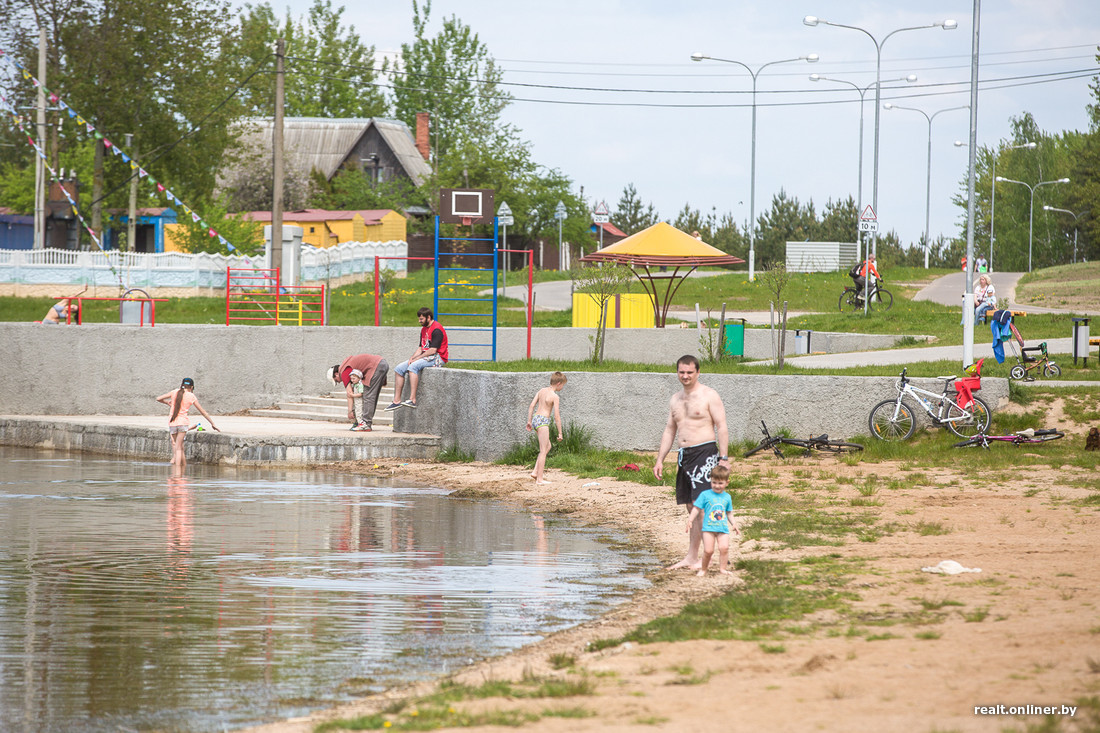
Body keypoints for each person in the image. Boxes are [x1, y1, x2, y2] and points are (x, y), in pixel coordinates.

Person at [654, 354, 730, 571]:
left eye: (689, 372)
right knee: (692, 507)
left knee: (705, 506)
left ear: (698, 372)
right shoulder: (675, 399)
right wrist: (660, 459)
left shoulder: (709, 395)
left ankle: (714, 556)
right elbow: (670, 430)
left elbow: (721, 426)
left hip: (705, 453)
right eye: (681, 372)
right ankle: (692, 557)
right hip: (684, 456)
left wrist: (723, 458)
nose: (685, 376)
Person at [385, 307, 448, 411]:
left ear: (428, 317)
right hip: (426, 356)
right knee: (399, 369)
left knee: (413, 367)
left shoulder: (437, 329)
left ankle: (412, 399)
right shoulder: (424, 329)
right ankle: (396, 401)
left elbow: (433, 350)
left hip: (438, 357)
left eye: (421, 319)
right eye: (419, 319)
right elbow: (421, 348)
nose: (419, 321)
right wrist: (412, 357)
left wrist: (416, 359)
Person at [686, 464, 740, 577]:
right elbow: (696, 508)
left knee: (724, 548)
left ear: (727, 483)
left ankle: (723, 569)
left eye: (720, 483)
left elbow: (729, 512)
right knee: (708, 551)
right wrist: (690, 520)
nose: (717, 486)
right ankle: (704, 569)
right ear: (710, 481)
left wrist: (734, 523)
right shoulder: (705, 495)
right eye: (714, 482)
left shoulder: (727, 497)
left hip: (722, 528)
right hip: (708, 528)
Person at [156, 377, 220, 468]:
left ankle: (182, 468)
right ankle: (177, 472)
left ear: (182, 385)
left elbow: (158, 398)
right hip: (183, 423)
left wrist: (168, 403)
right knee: (179, 448)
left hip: (172, 423)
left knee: (178, 447)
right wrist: (212, 424)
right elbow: (203, 412)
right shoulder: (191, 396)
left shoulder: (174, 392)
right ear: (192, 387)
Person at [329, 354, 389, 432]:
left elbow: (349, 394)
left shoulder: (344, 372)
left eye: (336, 380)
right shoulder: (346, 364)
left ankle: (365, 424)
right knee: (371, 395)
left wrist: (350, 411)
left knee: (368, 396)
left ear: (336, 374)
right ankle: (366, 422)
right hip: (382, 363)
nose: (339, 382)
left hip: (376, 366)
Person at [526, 372, 566, 485]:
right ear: (558, 383)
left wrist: (529, 421)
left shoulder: (542, 390)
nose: (562, 387)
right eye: (563, 385)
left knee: (548, 446)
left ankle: (535, 472)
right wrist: (560, 433)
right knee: (543, 450)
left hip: (535, 419)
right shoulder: (555, 396)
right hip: (543, 421)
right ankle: (539, 479)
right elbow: (557, 417)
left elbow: (531, 406)